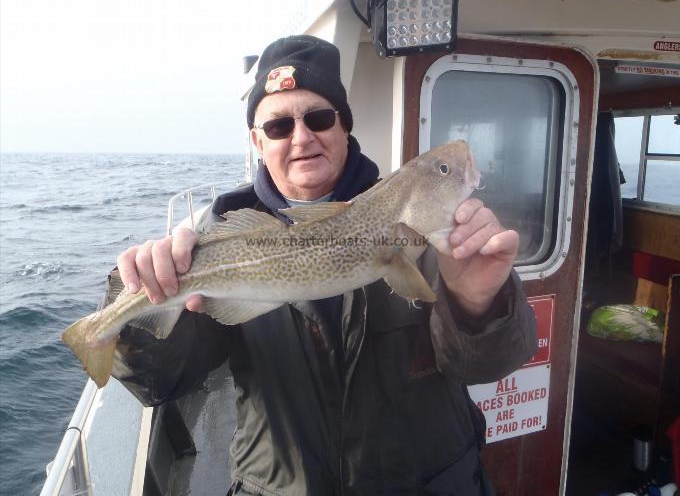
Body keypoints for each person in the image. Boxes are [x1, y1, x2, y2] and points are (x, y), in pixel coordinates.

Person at [111, 35, 537, 495]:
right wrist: (135, 301)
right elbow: (160, 383)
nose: (301, 136)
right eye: (278, 127)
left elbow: (486, 368)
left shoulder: (444, 239)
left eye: (319, 118)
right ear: (257, 141)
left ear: (343, 128)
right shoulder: (222, 239)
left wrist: (478, 303)